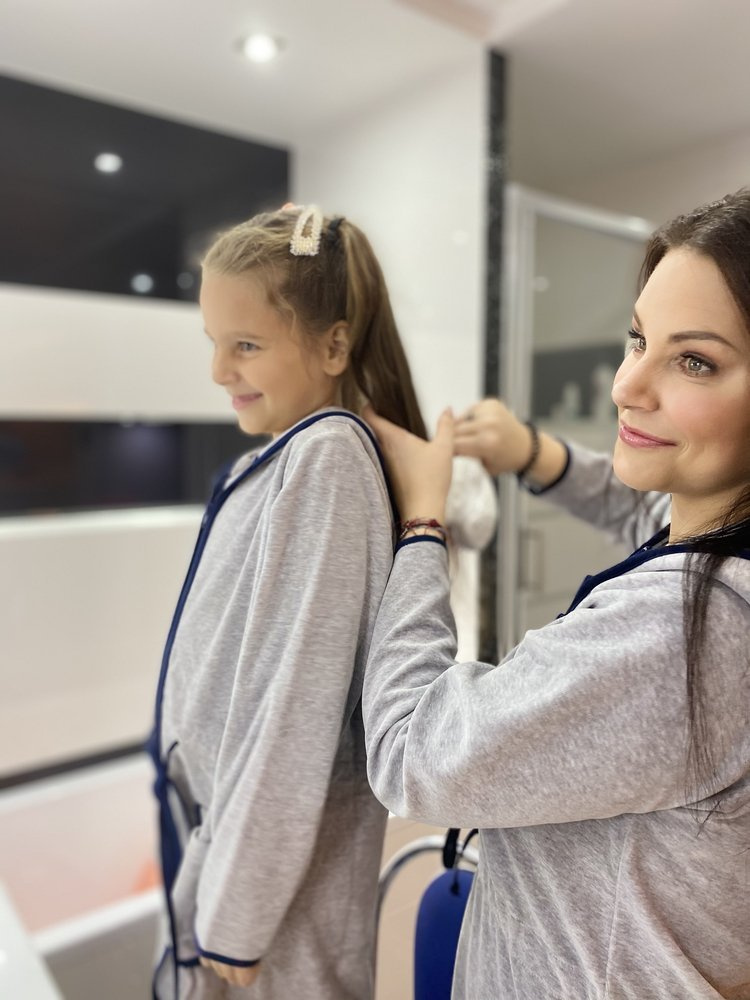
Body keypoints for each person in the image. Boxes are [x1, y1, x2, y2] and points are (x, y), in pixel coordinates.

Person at [362, 190, 750, 999]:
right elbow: (647, 511)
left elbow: (411, 755)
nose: (626, 386)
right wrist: (532, 453)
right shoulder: (722, 544)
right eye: (638, 339)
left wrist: (422, 523)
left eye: (695, 361)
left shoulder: (682, 632)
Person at [148, 203, 428, 1000]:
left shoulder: (326, 460)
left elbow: (291, 709)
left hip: (276, 891)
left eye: (246, 346)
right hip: (228, 841)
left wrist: (239, 912)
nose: (219, 370)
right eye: (213, 341)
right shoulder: (282, 458)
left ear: (334, 346)